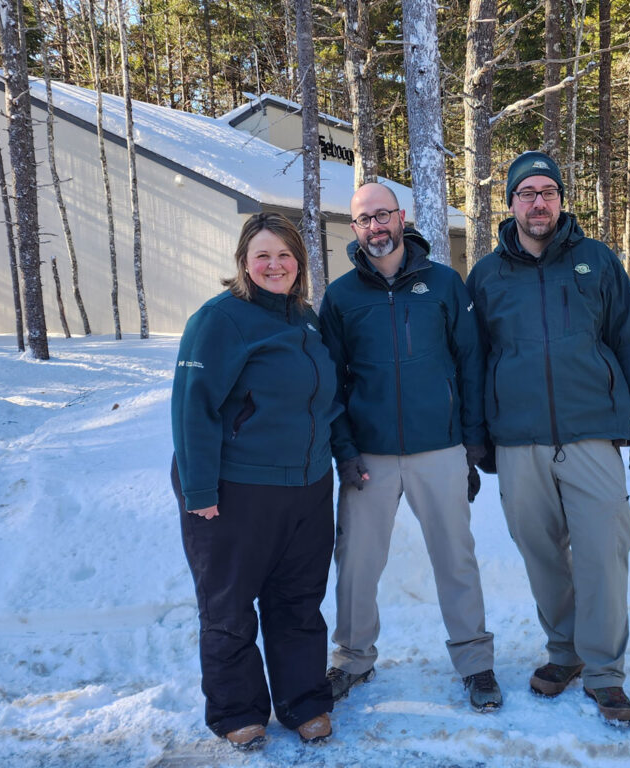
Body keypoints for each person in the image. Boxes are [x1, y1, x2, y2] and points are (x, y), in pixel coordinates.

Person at [465, 152, 630, 726]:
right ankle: (565, 653)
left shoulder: (596, 261)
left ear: (561, 199)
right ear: (510, 203)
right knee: (541, 553)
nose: (537, 202)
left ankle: (605, 673)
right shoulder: (487, 274)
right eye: (526, 192)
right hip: (518, 440)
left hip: (590, 435)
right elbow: (475, 360)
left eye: (547, 191)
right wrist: (476, 437)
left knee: (604, 551)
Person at [318, 182, 501, 712]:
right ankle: (352, 659)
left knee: (455, 557)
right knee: (356, 561)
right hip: (369, 455)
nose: (375, 227)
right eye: (363, 220)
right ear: (354, 229)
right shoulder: (342, 296)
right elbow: (331, 379)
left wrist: (471, 444)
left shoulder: (444, 284)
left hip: (438, 447)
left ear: (401, 218)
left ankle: (475, 662)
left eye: (382, 215)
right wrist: (344, 450)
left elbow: (470, 363)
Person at [170, 212, 340, 750]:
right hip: (236, 489)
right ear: (244, 261)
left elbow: (325, 403)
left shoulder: (305, 318)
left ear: (300, 263)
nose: (275, 265)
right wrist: (199, 493)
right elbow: (191, 409)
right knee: (229, 605)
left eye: (285, 255)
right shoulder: (220, 320)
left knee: (298, 601)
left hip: (308, 487)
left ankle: (304, 701)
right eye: (263, 255)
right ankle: (238, 710)